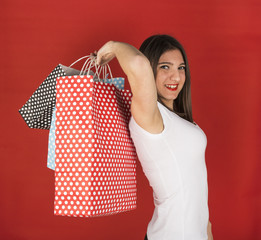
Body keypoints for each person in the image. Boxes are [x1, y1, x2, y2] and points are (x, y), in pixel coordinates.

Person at [96, 34, 213, 240]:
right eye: (165, 67)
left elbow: (196, 195)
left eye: (181, 68)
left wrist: (207, 232)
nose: (175, 77)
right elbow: (138, 63)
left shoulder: (175, 119)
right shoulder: (149, 116)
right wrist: (113, 46)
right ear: (150, 71)